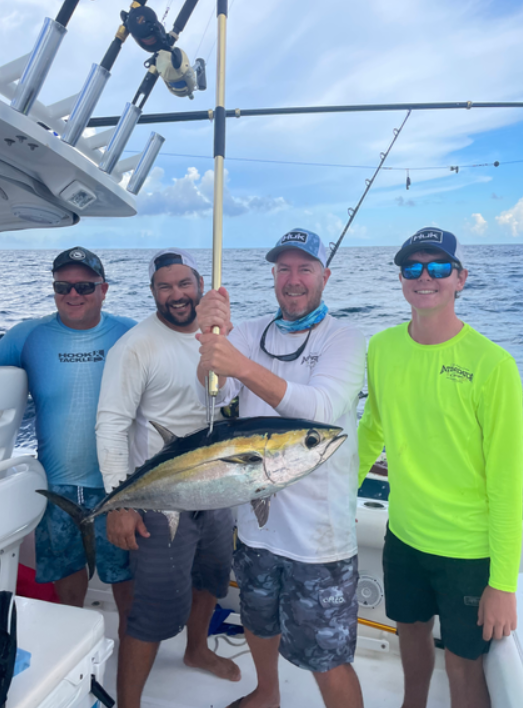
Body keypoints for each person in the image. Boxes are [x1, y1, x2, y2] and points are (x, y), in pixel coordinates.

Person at [196, 229, 366, 708]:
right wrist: (210, 347)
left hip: (318, 539)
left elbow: (322, 410)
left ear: (324, 276)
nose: (294, 280)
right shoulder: (249, 333)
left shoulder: (346, 339)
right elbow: (215, 395)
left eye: (305, 268)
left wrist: (242, 367)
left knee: (327, 657)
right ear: (272, 275)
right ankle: (266, 694)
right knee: (258, 622)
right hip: (254, 524)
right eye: (284, 269)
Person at [358, 227, 523, 708]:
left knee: (463, 665)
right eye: (412, 267)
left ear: (460, 279)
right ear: (402, 279)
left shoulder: (493, 366)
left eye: (438, 267)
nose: (424, 277)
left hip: (468, 554)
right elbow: (372, 428)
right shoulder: (382, 348)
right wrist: (334, 496)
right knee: (410, 635)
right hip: (404, 538)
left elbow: (509, 482)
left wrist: (502, 583)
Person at [95, 248, 240, 708]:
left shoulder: (217, 338)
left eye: (184, 284)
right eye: (165, 287)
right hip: (160, 500)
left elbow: (232, 398)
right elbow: (112, 425)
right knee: (152, 610)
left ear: (200, 285)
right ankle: (130, 703)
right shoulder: (136, 346)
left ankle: (197, 650)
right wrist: (119, 503)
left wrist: (226, 337)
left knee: (212, 580)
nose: (176, 295)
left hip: (218, 488)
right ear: (153, 293)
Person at [0, 246, 135, 632]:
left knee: (125, 577)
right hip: (55, 483)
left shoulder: (129, 332)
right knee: (66, 575)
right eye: (63, 286)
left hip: (118, 483)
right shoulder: (27, 335)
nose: (73, 295)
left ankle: (130, 645)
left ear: (104, 289)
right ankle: (71, 634)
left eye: (84, 287)